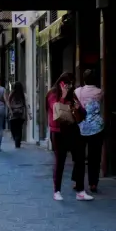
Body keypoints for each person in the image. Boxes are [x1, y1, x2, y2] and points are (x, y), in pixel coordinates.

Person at [47, 72, 91, 201]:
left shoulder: (73, 95)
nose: (69, 86)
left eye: (71, 83)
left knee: (80, 160)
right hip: (58, 132)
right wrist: (63, 97)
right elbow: (56, 109)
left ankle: (81, 190)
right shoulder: (53, 94)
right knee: (60, 162)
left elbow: (83, 112)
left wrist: (78, 108)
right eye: (67, 83)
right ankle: (57, 191)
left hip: (72, 130)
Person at [74, 69, 105, 193]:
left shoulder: (77, 91)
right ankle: (93, 183)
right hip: (97, 127)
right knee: (95, 157)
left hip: (81, 126)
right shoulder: (100, 92)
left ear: (84, 79)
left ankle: (78, 181)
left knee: (79, 156)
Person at [7, 82, 28, 148]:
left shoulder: (12, 95)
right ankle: (18, 142)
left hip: (13, 114)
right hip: (21, 114)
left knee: (13, 128)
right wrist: (26, 115)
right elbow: (26, 105)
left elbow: (8, 103)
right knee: (19, 128)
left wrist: (10, 111)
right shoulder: (24, 95)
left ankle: (16, 139)